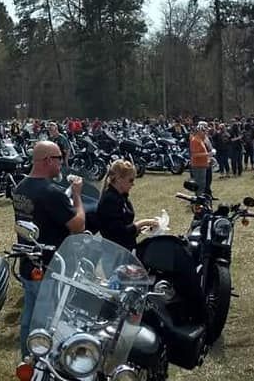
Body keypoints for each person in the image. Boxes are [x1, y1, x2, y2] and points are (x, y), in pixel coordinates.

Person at [11, 141, 85, 359]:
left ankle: (27, 359)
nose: (61, 163)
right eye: (58, 158)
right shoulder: (50, 192)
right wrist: (78, 196)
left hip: (27, 263)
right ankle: (41, 363)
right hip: (50, 266)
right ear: (47, 161)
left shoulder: (21, 187)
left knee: (28, 319)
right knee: (45, 323)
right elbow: (77, 225)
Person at [96, 160, 157, 250]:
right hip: (114, 252)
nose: (133, 184)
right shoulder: (110, 200)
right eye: (130, 180)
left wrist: (140, 229)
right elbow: (119, 232)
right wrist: (143, 222)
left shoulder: (121, 197)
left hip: (124, 249)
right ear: (119, 179)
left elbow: (126, 224)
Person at [189, 122, 212, 194]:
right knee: (199, 184)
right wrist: (207, 154)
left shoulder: (201, 140)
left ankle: (200, 199)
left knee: (202, 184)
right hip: (198, 165)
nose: (205, 133)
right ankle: (197, 201)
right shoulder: (195, 140)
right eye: (204, 131)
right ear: (199, 131)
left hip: (203, 165)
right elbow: (194, 154)